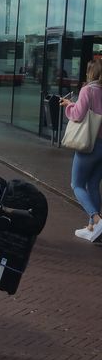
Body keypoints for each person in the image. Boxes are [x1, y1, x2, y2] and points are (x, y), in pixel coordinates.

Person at [60, 59, 102, 242]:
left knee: (76, 185)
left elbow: (77, 115)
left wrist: (69, 105)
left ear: (91, 73)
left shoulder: (88, 90)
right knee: (93, 185)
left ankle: (97, 219)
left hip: (88, 144)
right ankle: (92, 228)